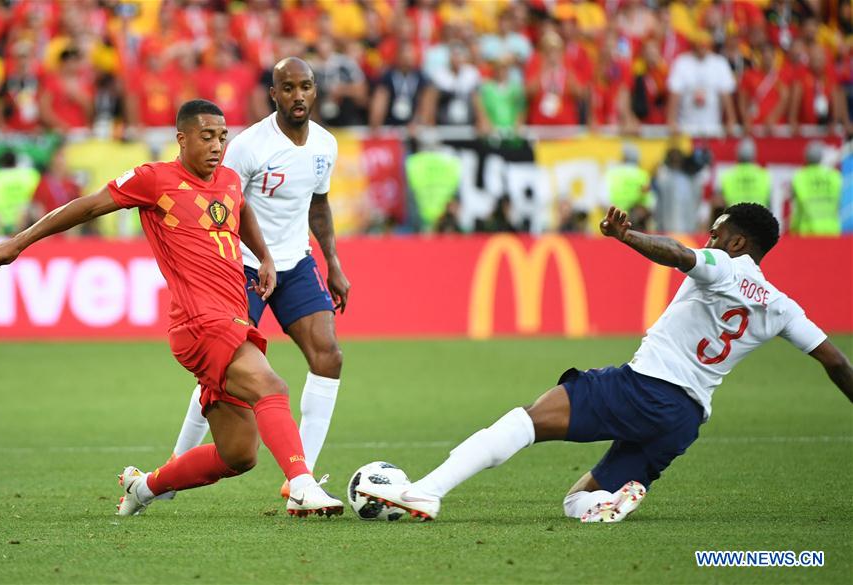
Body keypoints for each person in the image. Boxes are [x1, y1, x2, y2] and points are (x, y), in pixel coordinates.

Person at [356, 203, 852, 521]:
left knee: (527, 420)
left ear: (739, 243)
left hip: (646, 387)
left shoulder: (724, 265)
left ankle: (427, 491)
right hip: (683, 420)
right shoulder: (784, 307)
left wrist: (627, 238)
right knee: (578, 502)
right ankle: (611, 502)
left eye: (717, 234)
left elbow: (680, 255)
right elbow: (835, 364)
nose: (710, 241)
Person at [0, 99, 344, 518]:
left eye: (222, 137)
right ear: (182, 138)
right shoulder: (154, 180)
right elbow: (86, 206)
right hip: (199, 322)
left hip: (231, 316)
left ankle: (145, 487)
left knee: (239, 454)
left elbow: (241, 211)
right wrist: (20, 241)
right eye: (206, 136)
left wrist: (262, 255)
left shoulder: (227, 179)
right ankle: (302, 485)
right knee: (273, 387)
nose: (216, 145)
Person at [165, 58, 351, 501]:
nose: (298, 96)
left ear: (315, 90)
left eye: (305, 87)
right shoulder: (248, 146)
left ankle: (300, 477)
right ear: (274, 93)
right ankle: (173, 469)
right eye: (288, 88)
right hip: (243, 268)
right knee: (219, 377)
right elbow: (225, 201)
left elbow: (318, 205)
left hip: (297, 263)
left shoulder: (326, 145)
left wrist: (334, 263)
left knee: (328, 357)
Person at [791, 141, 842, 236]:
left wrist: (794, 231)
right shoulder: (835, 177)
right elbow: (840, 205)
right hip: (832, 232)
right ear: (822, 157)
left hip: (808, 233)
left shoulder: (800, 177)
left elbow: (796, 208)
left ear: (806, 157)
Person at [715, 138, 770, 211]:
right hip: (759, 220)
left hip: (734, 220)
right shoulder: (764, 176)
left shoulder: (727, 177)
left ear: (737, 154)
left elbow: (718, 206)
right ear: (754, 155)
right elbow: (770, 207)